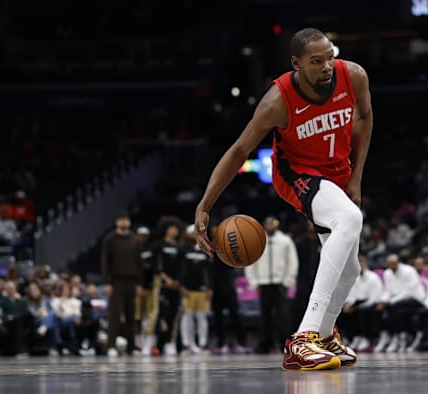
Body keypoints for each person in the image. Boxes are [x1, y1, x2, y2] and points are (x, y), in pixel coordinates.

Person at [194, 27, 372, 371]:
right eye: (316, 61)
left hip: (338, 172)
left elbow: (364, 118)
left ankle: (324, 335)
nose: (326, 67)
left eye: (330, 58)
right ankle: (303, 338)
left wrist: (356, 177)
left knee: (350, 269)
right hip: (298, 175)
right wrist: (205, 204)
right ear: (296, 63)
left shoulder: (354, 77)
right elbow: (239, 151)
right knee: (349, 220)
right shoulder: (277, 101)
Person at [244, 217, 298, 353]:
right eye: (268, 224)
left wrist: (288, 281)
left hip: (280, 283)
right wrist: (254, 282)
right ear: (264, 225)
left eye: (273, 224)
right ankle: (265, 343)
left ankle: (283, 343)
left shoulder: (285, 241)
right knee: (265, 315)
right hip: (263, 283)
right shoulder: (258, 241)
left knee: (283, 315)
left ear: (277, 225)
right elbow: (250, 262)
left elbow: (292, 262)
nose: (270, 226)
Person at [100, 213, 144, 356]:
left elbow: (139, 263)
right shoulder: (110, 239)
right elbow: (105, 261)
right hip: (116, 281)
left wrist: (139, 283)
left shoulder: (134, 240)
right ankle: (110, 346)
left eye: (126, 219)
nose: (123, 222)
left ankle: (131, 347)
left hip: (132, 281)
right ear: (117, 222)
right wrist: (107, 281)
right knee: (115, 315)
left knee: (132, 316)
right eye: (121, 220)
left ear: (129, 222)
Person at [179, 225, 213, 354]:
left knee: (202, 317)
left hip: (202, 290)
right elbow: (180, 270)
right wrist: (182, 286)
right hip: (188, 289)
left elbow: (210, 272)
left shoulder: (205, 250)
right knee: (187, 316)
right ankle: (187, 344)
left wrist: (210, 288)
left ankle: (203, 344)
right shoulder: (183, 250)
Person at [155, 217, 184, 356]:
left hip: (176, 286)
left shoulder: (179, 247)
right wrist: (166, 279)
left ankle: (170, 343)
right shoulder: (159, 245)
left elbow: (182, 267)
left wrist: (178, 282)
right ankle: (159, 344)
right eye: (171, 228)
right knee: (162, 315)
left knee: (174, 315)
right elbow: (156, 266)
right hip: (163, 286)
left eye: (176, 228)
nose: (174, 231)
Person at [134, 226, 160, 356]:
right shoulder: (133, 248)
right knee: (137, 316)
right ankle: (138, 344)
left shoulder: (152, 248)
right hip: (137, 285)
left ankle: (148, 343)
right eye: (140, 235)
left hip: (150, 285)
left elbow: (154, 265)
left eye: (144, 235)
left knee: (150, 315)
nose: (142, 237)